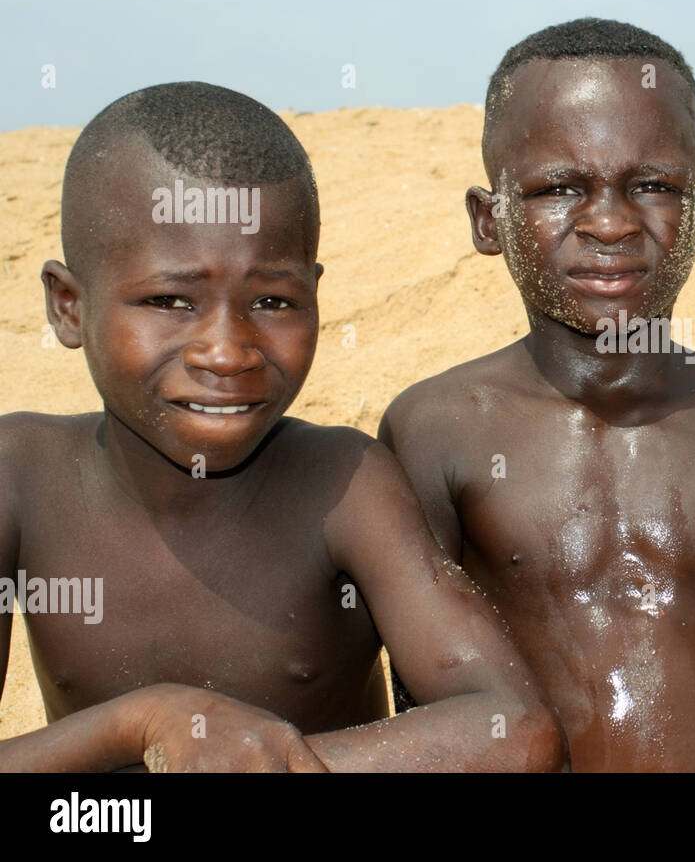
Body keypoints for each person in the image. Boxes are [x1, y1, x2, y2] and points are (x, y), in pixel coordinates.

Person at [0, 82, 563, 771]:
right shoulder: (21, 476)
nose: (227, 352)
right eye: (170, 300)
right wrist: (141, 723)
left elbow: (515, 728)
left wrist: (265, 761)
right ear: (67, 305)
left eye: (272, 300)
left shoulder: (343, 483)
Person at [381, 19, 695, 771]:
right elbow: (435, 716)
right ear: (488, 219)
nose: (609, 223)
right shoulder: (435, 429)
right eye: (559, 188)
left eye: (655, 186)